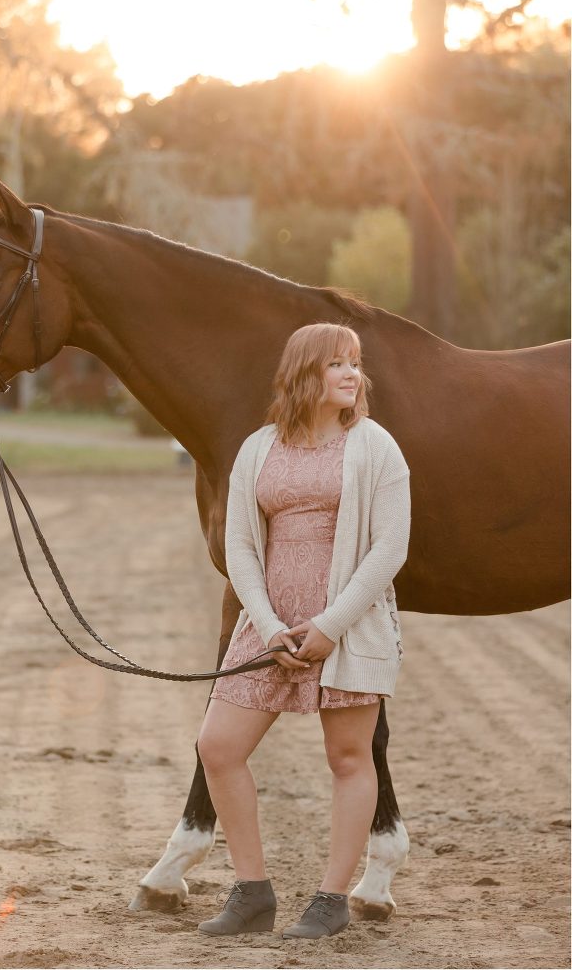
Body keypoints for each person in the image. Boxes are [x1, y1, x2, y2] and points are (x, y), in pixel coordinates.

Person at [197, 322, 410, 940]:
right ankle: (252, 892)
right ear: (303, 371)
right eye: (337, 363)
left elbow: (390, 548)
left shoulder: (376, 447)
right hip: (269, 628)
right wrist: (268, 626)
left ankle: (331, 899)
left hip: (349, 625)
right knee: (218, 747)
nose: (352, 374)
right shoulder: (258, 447)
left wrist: (330, 625)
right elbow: (240, 545)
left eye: (355, 363)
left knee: (349, 757)